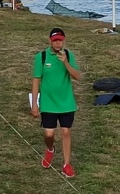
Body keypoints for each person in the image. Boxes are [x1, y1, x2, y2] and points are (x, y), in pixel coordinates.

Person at [31, 28, 82, 178]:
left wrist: (66, 63)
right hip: (48, 103)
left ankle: (66, 164)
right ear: (50, 41)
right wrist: (34, 104)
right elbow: (36, 81)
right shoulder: (41, 57)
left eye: (60, 40)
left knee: (66, 131)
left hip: (66, 103)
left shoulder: (69, 56)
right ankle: (50, 149)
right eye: (55, 41)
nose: (58, 43)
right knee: (49, 134)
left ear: (64, 41)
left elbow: (77, 76)